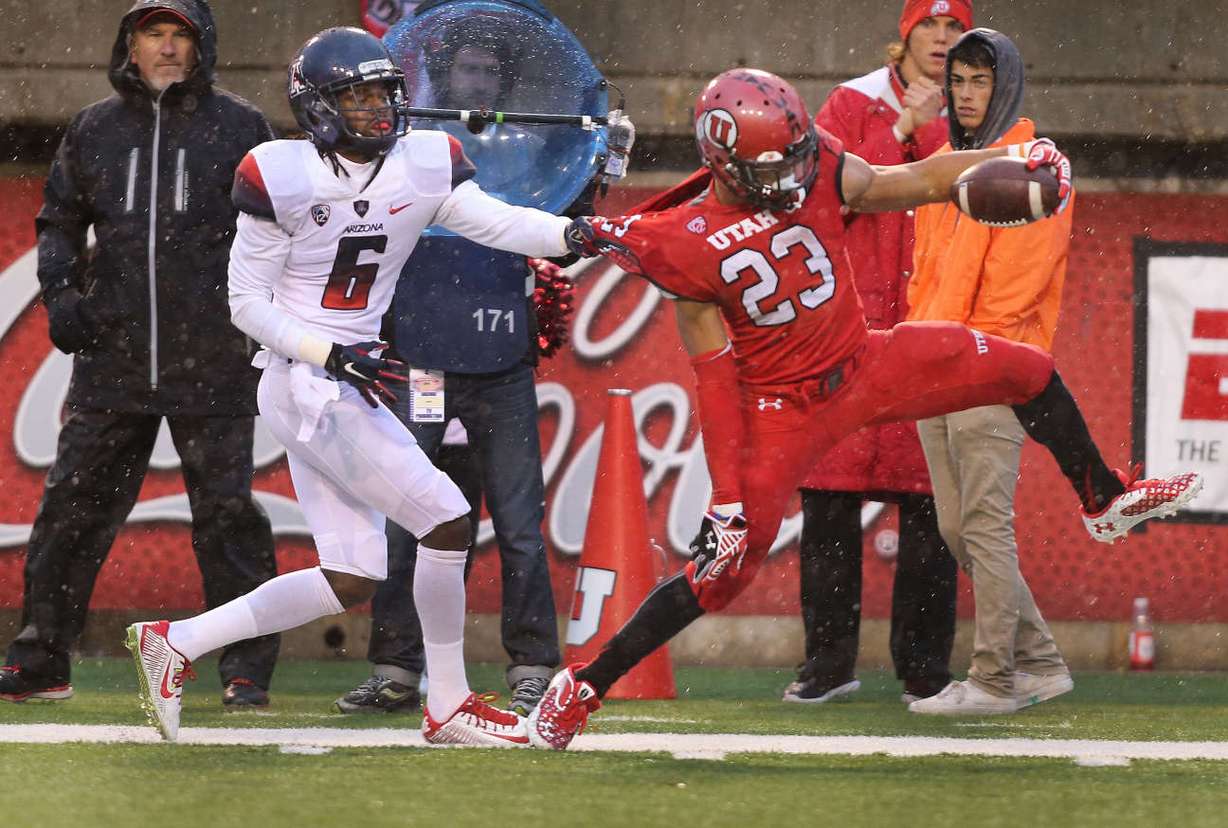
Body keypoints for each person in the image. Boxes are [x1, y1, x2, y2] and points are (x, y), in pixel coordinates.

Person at [527, 67, 1203, 750]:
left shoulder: (815, 160)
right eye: (774, 162)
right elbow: (714, 379)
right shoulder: (681, 238)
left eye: (796, 152)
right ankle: (583, 684)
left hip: (865, 364)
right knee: (719, 577)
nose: (794, 171)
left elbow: (909, 182)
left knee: (1027, 371)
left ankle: (1104, 499)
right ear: (723, 162)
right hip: (778, 411)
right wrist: (726, 500)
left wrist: (1008, 158)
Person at [124, 26, 579, 746]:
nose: (379, 110)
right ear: (320, 106)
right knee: (447, 516)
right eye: (360, 96)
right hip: (307, 381)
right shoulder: (281, 173)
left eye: (386, 94)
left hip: (342, 379)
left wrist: (569, 236)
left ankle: (175, 642)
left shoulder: (421, 164)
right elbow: (246, 304)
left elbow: (490, 222)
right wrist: (328, 352)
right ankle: (449, 703)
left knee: (353, 575)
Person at [0, 0, 280, 709]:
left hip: (214, 359)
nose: (164, 47)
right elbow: (59, 221)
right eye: (152, 33)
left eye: (178, 35)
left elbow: (277, 231)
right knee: (71, 511)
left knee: (228, 520)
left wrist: (258, 320)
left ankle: (244, 670)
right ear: (129, 45)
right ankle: (42, 660)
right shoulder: (94, 128)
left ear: (201, 46)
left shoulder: (241, 127)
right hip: (112, 359)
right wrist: (61, 295)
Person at [335, 12, 572, 717]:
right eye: (465, 70)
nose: (476, 82)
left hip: (501, 365)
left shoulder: (530, 148)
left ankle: (531, 665)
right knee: (408, 518)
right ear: (440, 77)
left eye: (487, 72)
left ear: (503, 81)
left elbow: (563, 223)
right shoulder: (407, 152)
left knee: (523, 527)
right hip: (426, 365)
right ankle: (397, 669)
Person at [785, 0, 971, 705]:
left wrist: (933, 136)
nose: (943, 41)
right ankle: (827, 666)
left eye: (956, 32)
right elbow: (819, 201)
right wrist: (902, 133)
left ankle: (924, 672)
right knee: (828, 508)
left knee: (931, 515)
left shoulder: (976, 114)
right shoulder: (850, 103)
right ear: (906, 35)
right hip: (846, 335)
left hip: (926, 335)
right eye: (933, 26)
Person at [906, 29, 1076, 715]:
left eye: (980, 81)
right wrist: (919, 355)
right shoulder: (946, 161)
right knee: (958, 528)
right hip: (936, 368)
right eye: (960, 82)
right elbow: (923, 277)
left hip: (989, 369)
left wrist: (966, 357)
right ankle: (1040, 662)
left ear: (1004, 84)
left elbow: (1016, 290)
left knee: (983, 526)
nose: (968, 94)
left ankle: (995, 680)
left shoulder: (1037, 165)